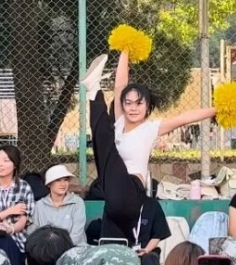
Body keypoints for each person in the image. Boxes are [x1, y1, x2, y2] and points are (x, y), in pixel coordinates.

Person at [81, 52, 217, 244]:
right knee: (102, 143)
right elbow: (120, 85)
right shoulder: (120, 122)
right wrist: (126, 48)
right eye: (128, 103)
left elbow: (185, 118)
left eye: (139, 103)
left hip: (131, 190)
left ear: (147, 106)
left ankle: (93, 90)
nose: (133, 108)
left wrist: (218, 109)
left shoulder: (150, 128)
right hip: (113, 195)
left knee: (106, 144)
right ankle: (93, 90)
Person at [29, 164, 86, 245]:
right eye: (58, 180)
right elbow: (33, 231)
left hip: (74, 248)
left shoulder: (77, 202)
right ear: (49, 184)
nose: (63, 184)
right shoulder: (40, 205)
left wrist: (60, 248)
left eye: (65, 180)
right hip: (47, 248)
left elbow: (76, 235)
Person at [134, 196, 171, 265]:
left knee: (149, 259)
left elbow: (157, 235)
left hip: (146, 250)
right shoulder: (118, 204)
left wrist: (147, 249)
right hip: (124, 249)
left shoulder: (153, 205)